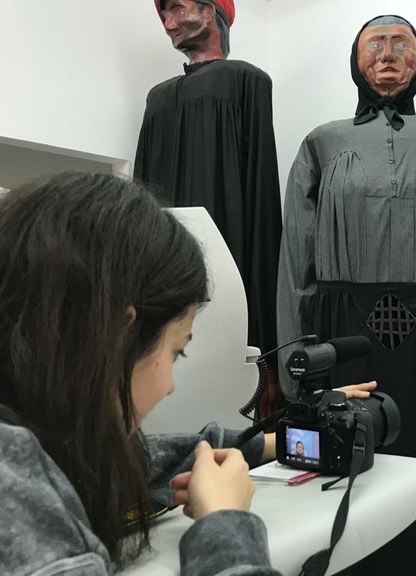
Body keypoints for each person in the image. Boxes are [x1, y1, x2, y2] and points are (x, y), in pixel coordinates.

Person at [0, 171, 376, 575]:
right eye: (177, 351)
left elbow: (125, 462)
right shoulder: (14, 496)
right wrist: (224, 522)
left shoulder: (35, 450)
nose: (170, 386)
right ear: (118, 335)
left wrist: (280, 441)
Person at [276, 14, 416, 575]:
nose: (388, 53)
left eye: (402, 43)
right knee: (349, 475)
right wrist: (293, 359)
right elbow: (296, 259)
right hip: (342, 337)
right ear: (356, 62)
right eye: (374, 43)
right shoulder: (322, 142)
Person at [134, 0, 285, 420]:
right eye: (163, 15)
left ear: (209, 10)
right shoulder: (157, 98)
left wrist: (268, 355)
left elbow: (261, 204)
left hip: (230, 281)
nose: (168, 23)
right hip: (164, 284)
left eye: (176, 9)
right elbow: (142, 201)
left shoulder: (246, 81)